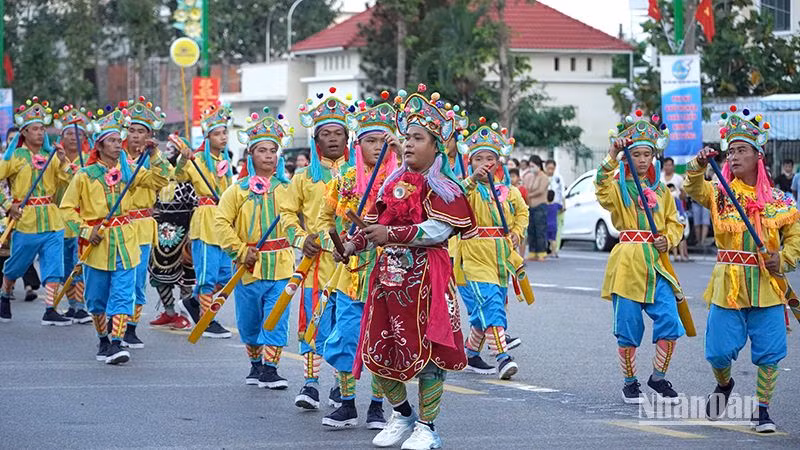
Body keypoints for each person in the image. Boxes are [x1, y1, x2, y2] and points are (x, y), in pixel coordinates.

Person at [338, 90, 476, 449]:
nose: (409, 145)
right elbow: (371, 227)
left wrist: (390, 233)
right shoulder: (389, 184)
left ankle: (428, 427)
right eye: (408, 138)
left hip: (427, 279)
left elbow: (439, 231)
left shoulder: (445, 188)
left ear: (436, 147)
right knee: (380, 351)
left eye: (418, 138)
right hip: (387, 278)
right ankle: (401, 415)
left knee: (430, 356)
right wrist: (352, 245)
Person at [686, 106, 799, 433]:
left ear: (757, 155)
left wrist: (784, 258)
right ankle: (724, 385)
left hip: (767, 285)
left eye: (741, 150)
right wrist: (698, 164)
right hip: (729, 285)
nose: (734, 157)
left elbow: (795, 235)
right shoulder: (720, 194)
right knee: (718, 352)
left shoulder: (778, 199)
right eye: (731, 150)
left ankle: (762, 410)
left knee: (770, 352)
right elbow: (693, 188)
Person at [60, 106, 170, 364]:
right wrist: (87, 230)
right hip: (96, 244)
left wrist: (154, 154)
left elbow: (160, 180)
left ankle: (117, 343)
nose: (118, 145)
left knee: (124, 293)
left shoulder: (130, 170)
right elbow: (66, 209)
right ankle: (103, 340)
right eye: (112, 140)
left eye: (118, 140)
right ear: (99, 145)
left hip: (127, 239)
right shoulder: (85, 176)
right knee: (96, 298)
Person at [317, 100, 399, 429]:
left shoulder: (401, 181)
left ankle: (377, 406)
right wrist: (334, 245)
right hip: (352, 275)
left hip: (392, 272)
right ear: (358, 145)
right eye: (370, 141)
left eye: (383, 141)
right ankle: (347, 403)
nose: (377, 147)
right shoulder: (345, 181)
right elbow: (324, 221)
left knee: (384, 340)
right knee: (346, 337)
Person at [596, 111, 686, 404]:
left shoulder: (663, 191)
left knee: (670, 321)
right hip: (628, 263)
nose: (643, 159)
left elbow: (675, 223)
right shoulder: (618, 189)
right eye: (636, 154)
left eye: (648, 154)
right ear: (627, 157)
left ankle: (658, 378)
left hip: (657, 263)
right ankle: (630, 382)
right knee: (629, 329)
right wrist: (612, 154)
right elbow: (600, 185)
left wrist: (668, 239)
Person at [214, 110, 296, 390]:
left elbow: (302, 219)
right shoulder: (237, 191)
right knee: (249, 320)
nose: (269, 156)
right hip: (248, 265)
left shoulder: (289, 188)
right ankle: (256, 365)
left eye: (273, 150)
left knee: (276, 316)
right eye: (262, 150)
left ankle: (271, 369)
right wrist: (239, 250)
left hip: (282, 264)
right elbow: (221, 222)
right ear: (251, 154)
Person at [282, 87, 350, 410]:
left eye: (339, 132)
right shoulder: (303, 178)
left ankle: (341, 387)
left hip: (351, 265)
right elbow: (285, 215)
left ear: (348, 138)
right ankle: (310, 384)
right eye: (326, 133)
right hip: (316, 268)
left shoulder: (358, 176)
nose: (333, 138)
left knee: (345, 327)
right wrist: (301, 238)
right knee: (313, 324)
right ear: (316, 140)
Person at [454, 122, 528, 379]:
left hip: (500, 256)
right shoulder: (468, 189)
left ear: (498, 162)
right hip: (473, 255)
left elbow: (522, 212)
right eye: (478, 159)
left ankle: (470, 354)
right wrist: (472, 179)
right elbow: (454, 197)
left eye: (490, 158)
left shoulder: (509, 191)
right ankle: (502, 357)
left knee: (486, 308)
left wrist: (517, 232)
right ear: (470, 161)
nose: (485, 163)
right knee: (491, 306)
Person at [0, 97, 72, 325]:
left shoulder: (52, 155)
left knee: (54, 265)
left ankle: (50, 309)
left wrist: (63, 161)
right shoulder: (15, 157)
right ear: (25, 132)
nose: (40, 133)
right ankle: (5, 292)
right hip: (26, 219)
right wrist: (8, 205)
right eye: (35, 129)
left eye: (42, 128)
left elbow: (68, 181)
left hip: (52, 218)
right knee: (18, 265)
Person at [174, 102, 235, 338]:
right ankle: (207, 318)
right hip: (206, 219)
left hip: (224, 218)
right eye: (217, 133)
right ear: (208, 136)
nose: (222, 137)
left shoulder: (226, 161)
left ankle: (194, 303)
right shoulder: (197, 158)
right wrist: (183, 159)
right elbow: (177, 176)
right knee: (207, 275)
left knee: (226, 276)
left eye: (224, 132)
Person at [121, 96, 171, 348]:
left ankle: (130, 327)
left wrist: (154, 154)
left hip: (141, 227)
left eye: (141, 131)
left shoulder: (151, 159)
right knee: (119, 280)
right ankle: (112, 323)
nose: (136, 135)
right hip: (118, 226)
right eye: (131, 130)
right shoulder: (115, 158)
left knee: (138, 279)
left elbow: (163, 178)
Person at [148, 137, 197, 330]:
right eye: (166, 148)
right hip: (160, 231)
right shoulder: (158, 175)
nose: (168, 151)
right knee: (158, 272)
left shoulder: (187, 177)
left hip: (183, 230)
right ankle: (169, 312)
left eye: (172, 148)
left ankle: (185, 312)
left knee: (186, 273)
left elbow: (195, 205)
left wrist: (192, 232)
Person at [53, 105, 92, 324]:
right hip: (59, 218)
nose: (73, 138)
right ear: (61, 136)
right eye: (69, 133)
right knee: (65, 264)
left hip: (81, 219)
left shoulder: (88, 160)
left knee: (81, 262)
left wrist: (65, 164)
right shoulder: (53, 159)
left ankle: (80, 306)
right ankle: (71, 305)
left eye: (78, 134)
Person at [522, 155, 548, 261]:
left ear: (538, 165)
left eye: (533, 166)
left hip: (540, 206)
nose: (531, 168)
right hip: (530, 206)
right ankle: (532, 251)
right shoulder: (529, 176)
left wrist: (529, 195)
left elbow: (541, 190)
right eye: (530, 166)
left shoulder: (544, 177)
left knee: (540, 229)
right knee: (531, 229)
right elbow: (524, 187)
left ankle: (542, 252)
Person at [545, 159, 565, 254]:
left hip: (558, 205)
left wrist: (564, 205)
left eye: (552, 168)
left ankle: (555, 249)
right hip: (548, 204)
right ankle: (550, 250)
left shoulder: (558, 178)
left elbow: (562, 193)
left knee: (558, 229)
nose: (550, 171)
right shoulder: (543, 177)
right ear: (545, 168)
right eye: (548, 168)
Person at [667, 183, 690, 262]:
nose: (672, 191)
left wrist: (682, 218)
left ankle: (682, 255)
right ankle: (676, 256)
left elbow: (681, 210)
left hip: (679, 220)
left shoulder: (677, 200)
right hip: (671, 221)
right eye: (670, 189)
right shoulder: (667, 200)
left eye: (673, 189)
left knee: (682, 239)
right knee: (673, 238)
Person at [546, 190, 562, 258]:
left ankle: (546, 252)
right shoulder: (556, 205)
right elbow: (563, 208)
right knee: (553, 239)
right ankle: (554, 253)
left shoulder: (545, 206)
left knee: (546, 239)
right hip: (554, 225)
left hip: (546, 225)